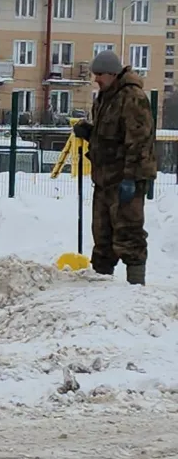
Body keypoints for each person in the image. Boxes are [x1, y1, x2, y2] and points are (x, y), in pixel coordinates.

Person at [72, 50, 156, 285]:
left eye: (99, 74)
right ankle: (100, 284)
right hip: (104, 178)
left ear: (112, 73)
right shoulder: (104, 98)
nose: (96, 79)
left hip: (125, 178)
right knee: (102, 235)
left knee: (129, 232)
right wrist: (89, 133)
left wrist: (131, 178)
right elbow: (110, 136)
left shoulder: (132, 97)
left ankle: (135, 286)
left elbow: (139, 141)